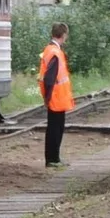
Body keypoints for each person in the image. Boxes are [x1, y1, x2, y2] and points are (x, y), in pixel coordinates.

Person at [38, 21, 76, 167]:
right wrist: (48, 98)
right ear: (64, 35)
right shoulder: (55, 52)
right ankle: (53, 159)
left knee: (56, 127)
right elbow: (49, 78)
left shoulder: (50, 50)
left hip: (56, 98)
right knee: (55, 129)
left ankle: (54, 158)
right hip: (56, 98)